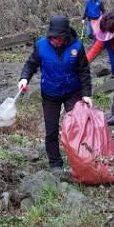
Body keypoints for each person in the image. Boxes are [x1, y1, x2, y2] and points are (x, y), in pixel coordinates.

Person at [18, 16, 93, 169]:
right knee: (51, 130)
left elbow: (84, 71)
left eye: (58, 39)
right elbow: (31, 64)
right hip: (50, 94)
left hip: (72, 91)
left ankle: (80, 161)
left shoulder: (77, 47)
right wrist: (24, 78)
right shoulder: (41, 46)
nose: (55, 42)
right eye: (52, 38)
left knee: (76, 127)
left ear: (65, 37)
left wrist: (86, 94)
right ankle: (55, 164)